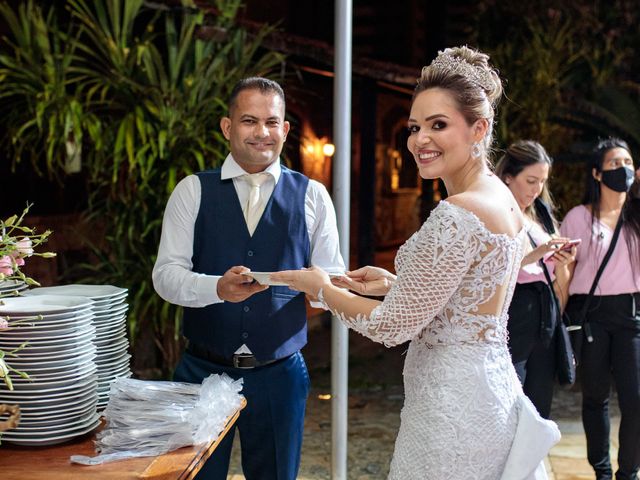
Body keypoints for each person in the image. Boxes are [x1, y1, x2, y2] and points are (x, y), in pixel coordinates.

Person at [272, 46, 560, 479]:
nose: (419, 139)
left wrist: (321, 289)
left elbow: (393, 326)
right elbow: (474, 289)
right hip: (490, 394)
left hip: (449, 410)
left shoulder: (458, 213)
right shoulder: (502, 197)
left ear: (478, 129)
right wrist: (394, 283)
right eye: (414, 127)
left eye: (438, 125)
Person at [152, 77, 345, 480]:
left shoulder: (313, 195)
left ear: (285, 129)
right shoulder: (192, 191)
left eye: (272, 122)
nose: (262, 133)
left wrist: (319, 284)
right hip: (202, 369)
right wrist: (215, 288)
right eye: (248, 121)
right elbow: (166, 277)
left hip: (280, 373)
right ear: (227, 127)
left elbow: (333, 280)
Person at [560, 138, 640, 480]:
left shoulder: (638, 216)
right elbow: (563, 273)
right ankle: (602, 472)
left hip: (631, 316)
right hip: (591, 317)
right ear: (596, 173)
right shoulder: (579, 217)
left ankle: (629, 473)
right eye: (613, 164)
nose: (622, 170)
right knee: (595, 398)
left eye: (627, 163)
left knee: (636, 401)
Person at [495, 140, 576, 418]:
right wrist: (535, 255)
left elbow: (558, 281)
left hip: (546, 313)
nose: (536, 189)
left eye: (542, 181)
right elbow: (488, 268)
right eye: (531, 180)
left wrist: (564, 264)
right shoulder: (494, 214)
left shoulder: (542, 214)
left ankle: (532, 462)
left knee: (540, 406)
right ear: (508, 176)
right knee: (509, 401)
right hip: (515, 310)